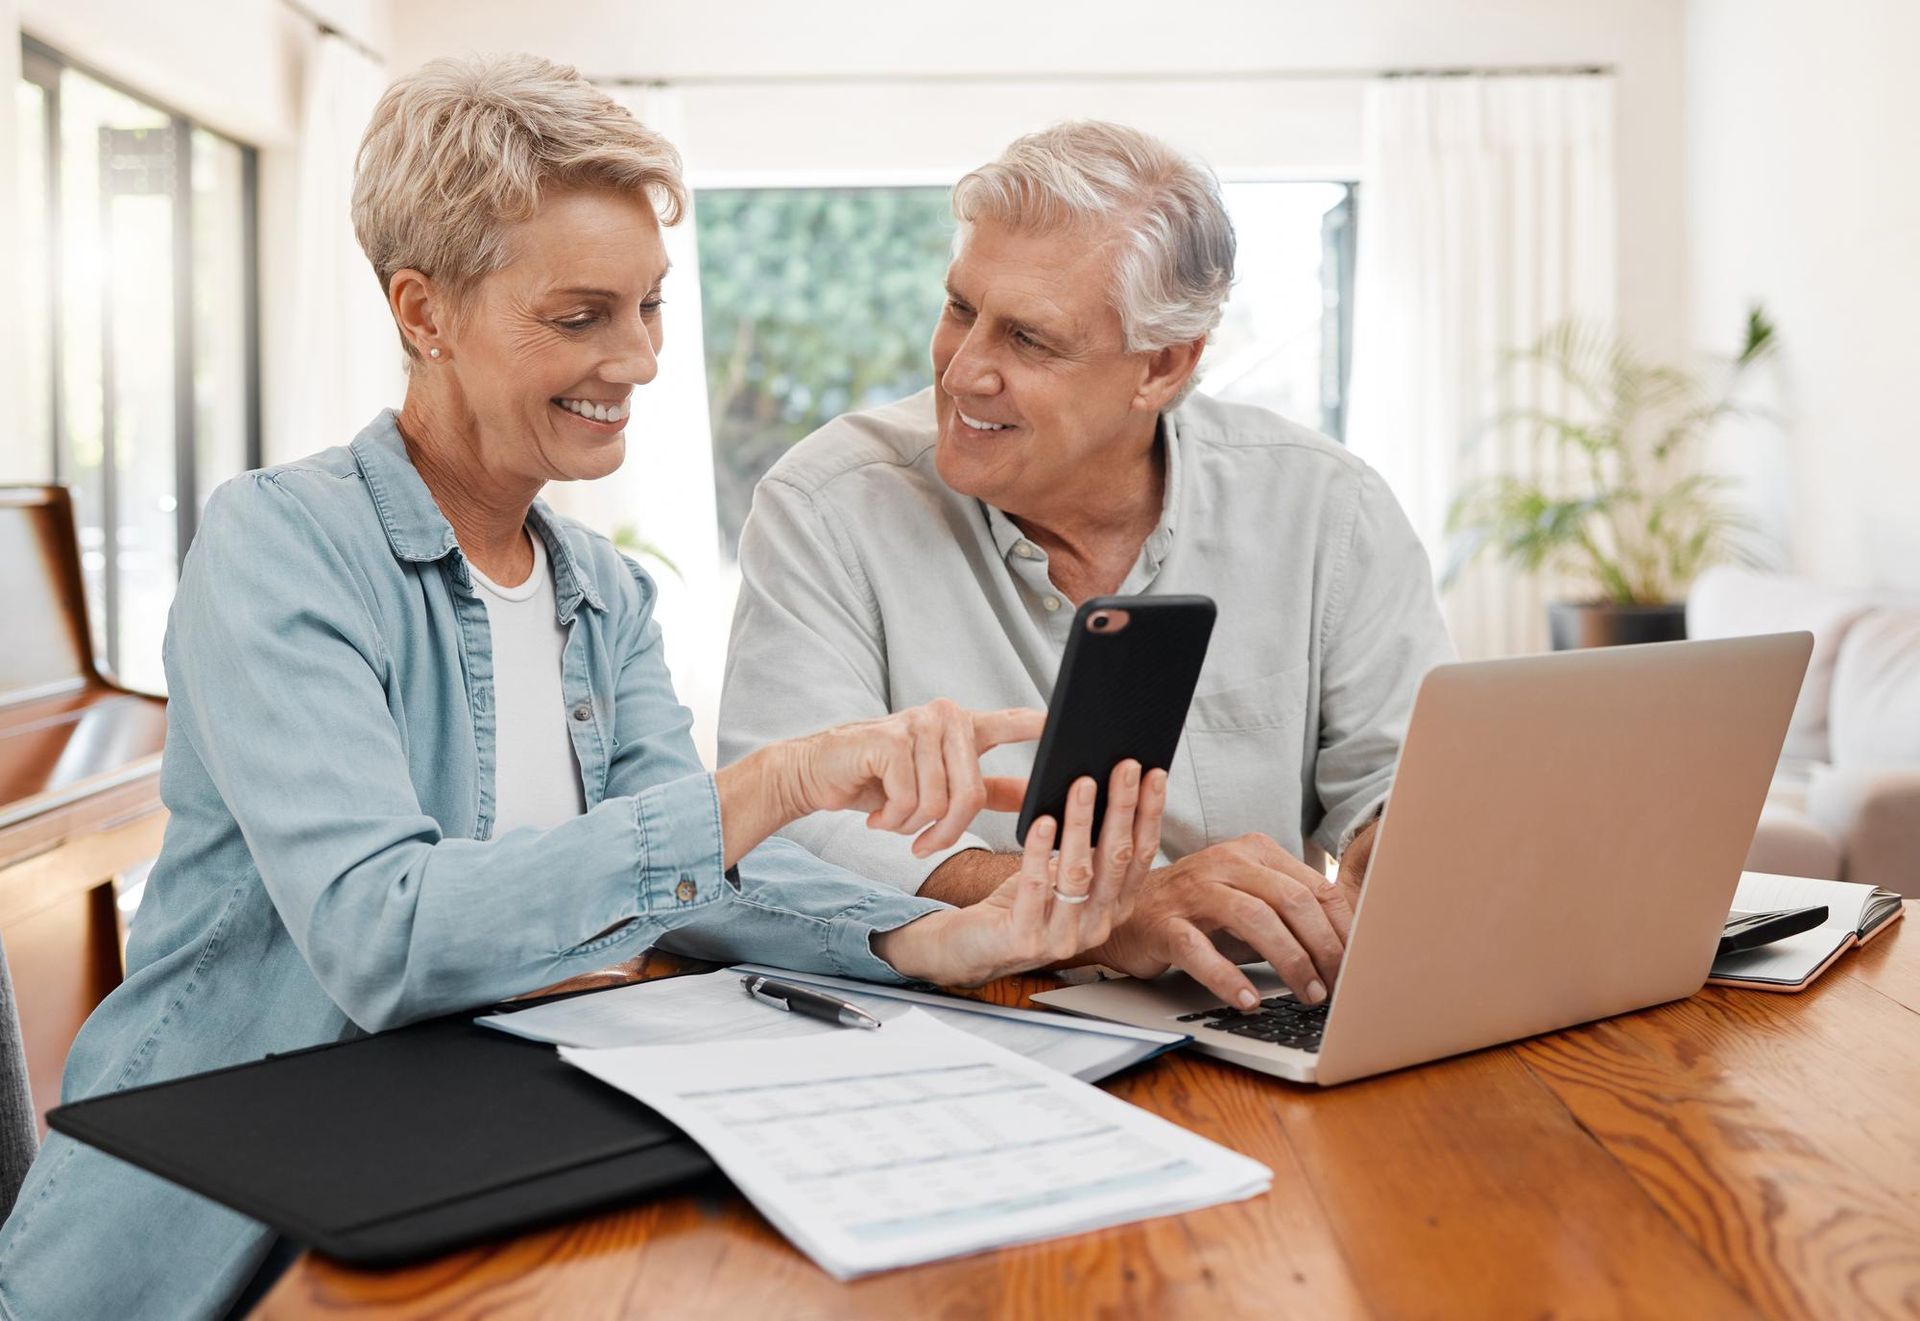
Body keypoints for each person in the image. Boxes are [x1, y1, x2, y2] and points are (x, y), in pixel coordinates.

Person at [0, 60, 1168, 1320]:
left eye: (652, 306)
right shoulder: (281, 546)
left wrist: (936, 938)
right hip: (211, 1239)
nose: (640, 359)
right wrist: (768, 784)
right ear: (421, 309)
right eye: (581, 317)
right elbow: (382, 936)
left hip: (460, 1168)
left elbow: (700, 885)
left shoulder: (601, 593)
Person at [721, 121, 1454, 1019]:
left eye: (1029, 339)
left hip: (1252, 1010)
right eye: (960, 309)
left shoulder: (1326, 508)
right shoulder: (828, 504)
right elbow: (778, 831)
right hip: (966, 1021)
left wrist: (1405, 844)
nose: (965, 371)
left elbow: (1403, 781)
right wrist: (1100, 910)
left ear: (1164, 366)